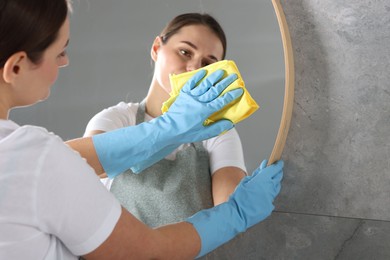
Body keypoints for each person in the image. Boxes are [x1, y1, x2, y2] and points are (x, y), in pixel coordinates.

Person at [0, 0, 284, 259]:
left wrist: (171, 129)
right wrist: (235, 214)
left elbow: (71, 162)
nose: (65, 61)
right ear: (16, 67)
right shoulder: (35, 156)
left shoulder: (26, 154)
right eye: (59, 51)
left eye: (209, 62)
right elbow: (146, 251)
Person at [83, 13, 252, 228]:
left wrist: (242, 202)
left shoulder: (218, 131)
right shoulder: (116, 119)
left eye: (208, 63)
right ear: (156, 48)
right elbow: (89, 166)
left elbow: (228, 212)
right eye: (185, 52)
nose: (193, 68)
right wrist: (171, 126)